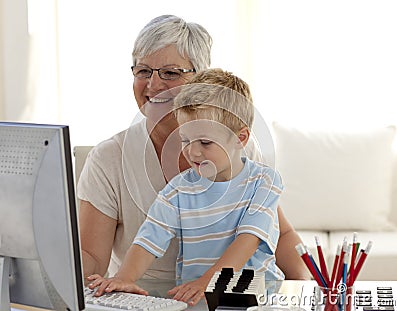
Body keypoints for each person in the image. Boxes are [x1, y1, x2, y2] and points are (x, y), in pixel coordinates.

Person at [78, 14, 308, 285]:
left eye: (171, 73)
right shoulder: (109, 159)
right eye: (143, 71)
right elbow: (90, 256)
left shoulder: (236, 148)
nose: (153, 85)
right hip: (147, 301)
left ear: (202, 79)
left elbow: (278, 234)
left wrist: (307, 286)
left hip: (227, 296)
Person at [88, 69, 284, 306]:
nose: (193, 151)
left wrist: (208, 281)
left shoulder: (264, 181)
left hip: (255, 298)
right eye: (185, 140)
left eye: (205, 142)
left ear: (240, 139)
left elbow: (248, 239)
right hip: (196, 298)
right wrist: (124, 277)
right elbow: (150, 237)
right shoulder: (179, 190)